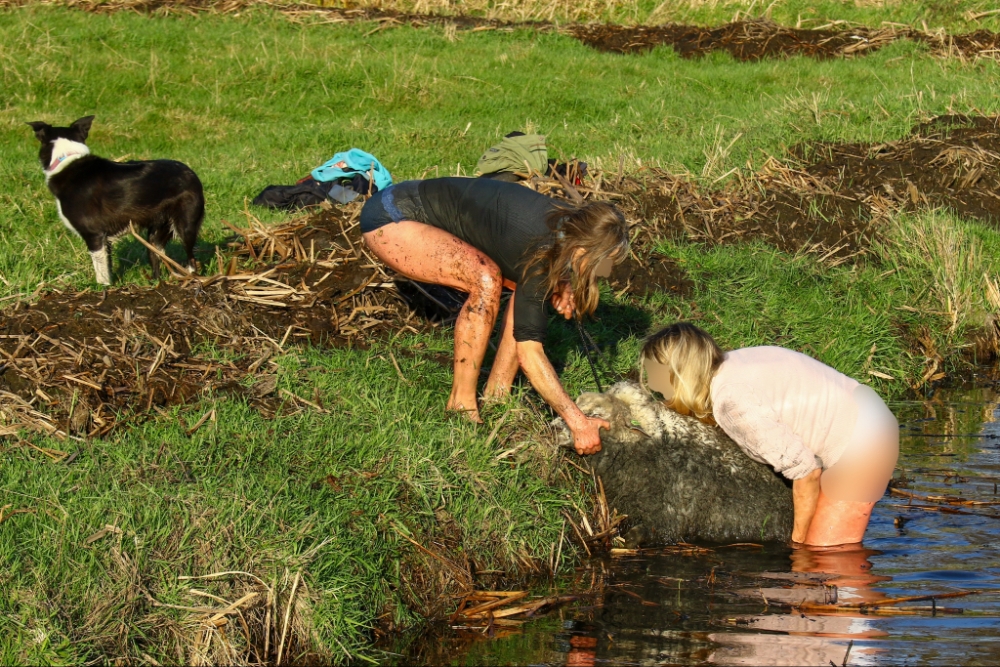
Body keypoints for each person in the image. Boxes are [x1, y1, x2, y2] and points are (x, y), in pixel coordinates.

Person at [360, 177, 629, 454]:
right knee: (486, 279)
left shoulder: (569, 227)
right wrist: (578, 422)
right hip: (391, 215)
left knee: (525, 288)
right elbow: (530, 354)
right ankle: (460, 406)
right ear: (584, 249)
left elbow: (540, 266)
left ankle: (497, 396)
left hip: (415, 212)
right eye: (604, 262)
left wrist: (561, 281)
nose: (605, 271)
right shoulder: (541, 248)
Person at [639, 322, 898, 546]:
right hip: (868, 417)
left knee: (823, 562)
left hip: (864, 446)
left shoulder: (731, 403)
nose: (652, 384)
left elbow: (807, 473)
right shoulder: (732, 363)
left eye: (657, 376)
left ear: (682, 376)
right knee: (822, 580)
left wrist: (798, 545)